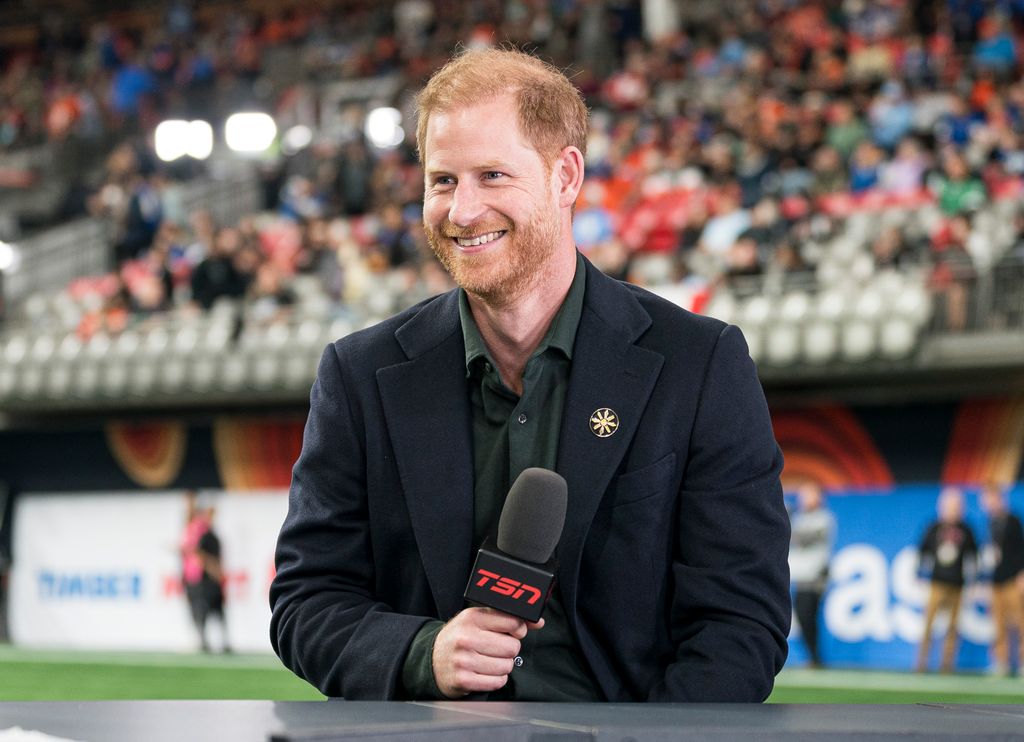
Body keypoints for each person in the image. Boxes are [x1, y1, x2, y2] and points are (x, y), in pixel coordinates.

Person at [270, 48, 790, 702]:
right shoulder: (358, 375)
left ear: (565, 176)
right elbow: (306, 602)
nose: (461, 211)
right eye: (442, 181)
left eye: (492, 175)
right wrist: (421, 653)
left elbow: (740, 622)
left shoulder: (700, 364)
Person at [915, 487, 977, 673]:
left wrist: (974, 581)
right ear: (941, 507)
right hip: (937, 582)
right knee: (928, 624)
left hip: (958, 584)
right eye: (949, 506)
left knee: (953, 626)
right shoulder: (933, 527)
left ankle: (947, 665)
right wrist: (918, 574)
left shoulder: (966, 529)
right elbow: (922, 552)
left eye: (956, 506)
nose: (953, 509)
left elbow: (973, 557)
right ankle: (921, 663)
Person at [788, 482, 835, 668]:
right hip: (799, 577)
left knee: (808, 616)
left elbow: (804, 539)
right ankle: (813, 658)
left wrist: (786, 521)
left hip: (814, 577)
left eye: (809, 494)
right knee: (802, 617)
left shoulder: (824, 518)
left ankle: (816, 658)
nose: (804, 499)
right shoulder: (798, 518)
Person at [979, 482, 1024, 676]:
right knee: (998, 624)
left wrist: (1022, 574)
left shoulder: (1012, 520)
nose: (987, 503)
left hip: (1012, 579)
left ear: (998, 499)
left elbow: (1021, 549)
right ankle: (1001, 662)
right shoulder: (990, 522)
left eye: (990, 499)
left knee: (1020, 622)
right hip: (995, 581)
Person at [181, 492, 230, 654]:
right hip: (197, 577)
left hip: (203, 577)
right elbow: (196, 552)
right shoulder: (195, 528)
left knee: (216, 609)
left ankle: (221, 641)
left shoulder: (206, 532)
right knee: (201, 609)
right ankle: (203, 640)